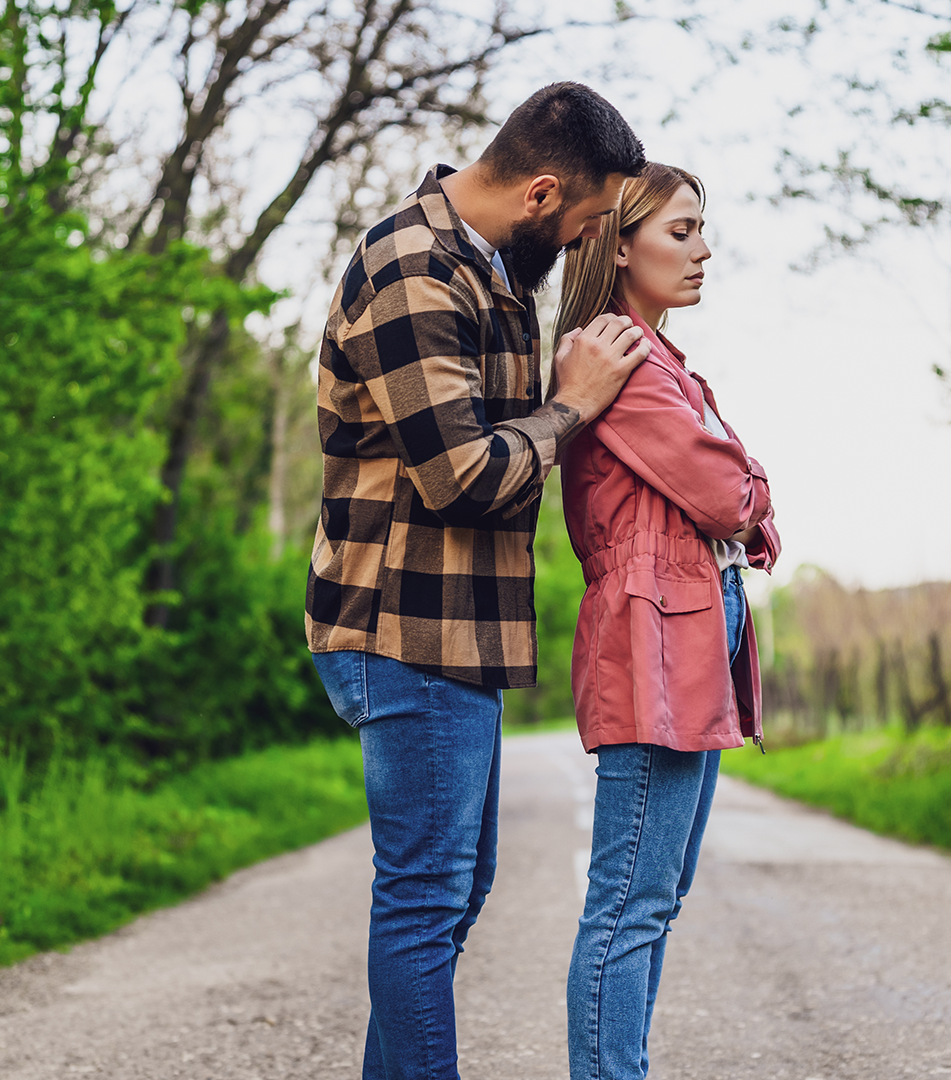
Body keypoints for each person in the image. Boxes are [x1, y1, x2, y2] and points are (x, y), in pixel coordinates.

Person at [305, 82, 652, 1080]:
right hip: (401, 628)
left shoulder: (492, 270)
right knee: (422, 903)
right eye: (588, 220)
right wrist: (572, 409)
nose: (588, 240)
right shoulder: (414, 265)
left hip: (457, 637)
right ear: (542, 193)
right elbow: (460, 479)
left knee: (450, 894)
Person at [554, 163, 781, 1080]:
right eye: (680, 231)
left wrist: (742, 491)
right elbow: (730, 494)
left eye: (701, 230)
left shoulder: (655, 359)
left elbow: (726, 500)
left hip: (688, 615)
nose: (703, 249)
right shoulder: (622, 358)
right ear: (619, 243)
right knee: (630, 901)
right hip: (656, 627)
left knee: (655, 894)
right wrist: (757, 482)